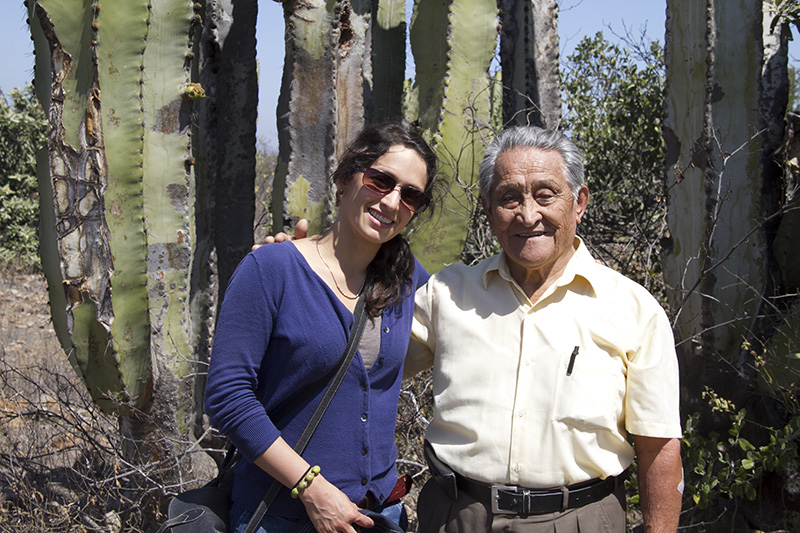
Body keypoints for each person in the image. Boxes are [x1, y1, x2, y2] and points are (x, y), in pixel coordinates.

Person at [404, 126, 683, 532]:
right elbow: (367, 364)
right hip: (457, 517)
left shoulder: (633, 310)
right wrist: (307, 271)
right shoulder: (446, 293)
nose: (528, 214)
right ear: (486, 208)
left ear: (579, 202)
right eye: (509, 197)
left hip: (582, 520)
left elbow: (658, 446)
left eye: (545, 194)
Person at [204, 122, 441, 533]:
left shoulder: (408, 281)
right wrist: (311, 488)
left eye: (410, 194)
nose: (392, 201)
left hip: (378, 516)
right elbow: (227, 396)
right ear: (345, 178)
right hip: (281, 516)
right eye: (381, 180)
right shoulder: (271, 269)